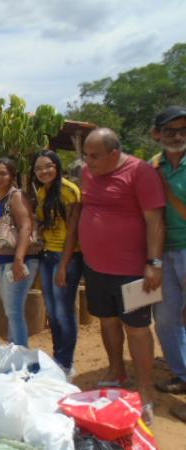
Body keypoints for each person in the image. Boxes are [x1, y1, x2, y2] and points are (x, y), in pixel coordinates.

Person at [79, 128, 164, 425]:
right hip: (96, 267)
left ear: (114, 153)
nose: (88, 162)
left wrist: (154, 263)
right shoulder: (88, 173)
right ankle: (116, 370)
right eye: (86, 155)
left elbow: (155, 221)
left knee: (138, 330)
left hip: (132, 269)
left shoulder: (140, 172)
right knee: (107, 320)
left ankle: (145, 390)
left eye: (95, 156)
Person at [31, 150, 83, 376]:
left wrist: (64, 265)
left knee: (64, 311)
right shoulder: (43, 192)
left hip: (67, 257)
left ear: (57, 166)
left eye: (48, 166)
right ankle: (58, 356)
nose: (43, 171)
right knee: (52, 311)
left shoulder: (70, 191)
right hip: (47, 255)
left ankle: (66, 363)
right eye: (38, 168)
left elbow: (73, 231)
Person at [150, 106, 186, 417]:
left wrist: (165, 190)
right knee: (165, 320)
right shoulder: (154, 165)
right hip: (165, 252)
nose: (177, 135)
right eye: (170, 130)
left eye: (183, 130)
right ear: (157, 134)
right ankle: (181, 373)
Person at [0, 158, 40, 347]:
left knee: (14, 311)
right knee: (10, 309)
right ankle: (14, 349)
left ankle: (21, 355)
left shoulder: (16, 196)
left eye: (3, 173)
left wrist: (19, 259)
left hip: (17, 261)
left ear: (12, 175)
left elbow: (26, 226)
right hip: (2, 261)